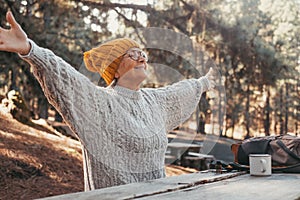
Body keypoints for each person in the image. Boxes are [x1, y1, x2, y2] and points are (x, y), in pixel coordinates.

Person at [0, 11, 218, 191]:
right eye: (132, 55)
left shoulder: (154, 101)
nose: (142, 57)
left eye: (143, 54)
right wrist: (30, 50)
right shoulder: (99, 103)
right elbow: (65, 77)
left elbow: (180, 91)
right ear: (114, 68)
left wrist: (206, 82)